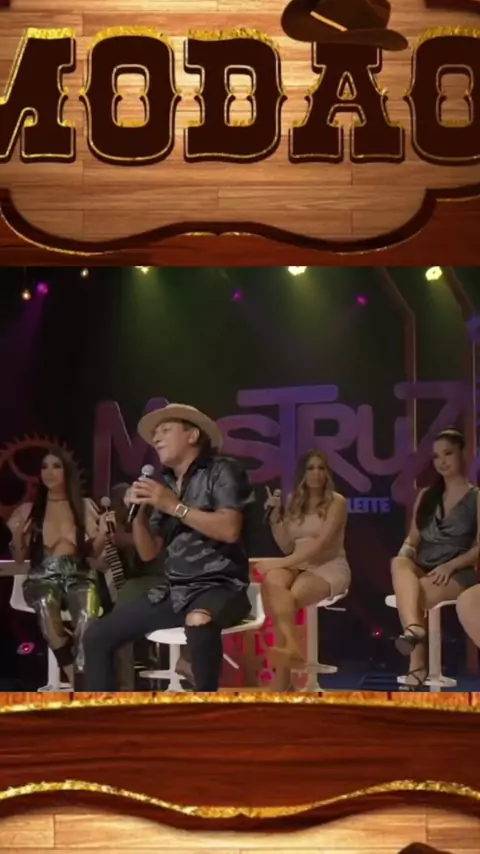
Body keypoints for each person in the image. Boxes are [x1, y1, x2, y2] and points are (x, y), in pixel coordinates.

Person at [83, 403, 254, 693]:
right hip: (175, 590)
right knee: (97, 636)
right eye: (155, 434)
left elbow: (229, 529)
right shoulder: (166, 484)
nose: (157, 438)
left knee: (198, 619)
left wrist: (172, 506)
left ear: (192, 436)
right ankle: (102, 715)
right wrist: (139, 516)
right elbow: (149, 552)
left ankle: (206, 707)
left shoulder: (222, 470)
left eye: (165, 430)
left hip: (222, 586)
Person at [7, 446, 109, 687]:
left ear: (67, 472)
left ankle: (83, 676)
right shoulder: (30, 510)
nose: (49, 472)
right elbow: (20, 558)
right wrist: (17, 535)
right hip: (42, 577)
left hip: (79, 574)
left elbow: (94, 552)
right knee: (46, 603)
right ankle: (74, 674)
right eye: (44, 467)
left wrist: (104, 533)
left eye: (56, 466)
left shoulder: (83, 506)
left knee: (87, 615)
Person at [390, 428, 480, 689]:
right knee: (398, 562)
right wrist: (402, 566)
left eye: (448, 453)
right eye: (436, 456)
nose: (442, 461)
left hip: (457, 570)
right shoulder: (426, 496)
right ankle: (415, 630)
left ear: (463, 453)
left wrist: (450, 566)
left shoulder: (476, 497)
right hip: (424, 564)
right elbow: (412, 540)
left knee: (414, 594)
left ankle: (416, 665)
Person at [256, 450, 351, 690]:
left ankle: (282, 683)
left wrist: (280, 563)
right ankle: (291, 648)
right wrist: (275, 517)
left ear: (327, 473)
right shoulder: (294, 500)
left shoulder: (337, 502)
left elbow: (320, 546)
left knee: (289, 598)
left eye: (321, 468)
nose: (316, 473)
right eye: (311, 468)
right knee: (272, 581)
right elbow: (288, 546)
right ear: (302, 474)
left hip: (328, 566)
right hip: (298, 564)